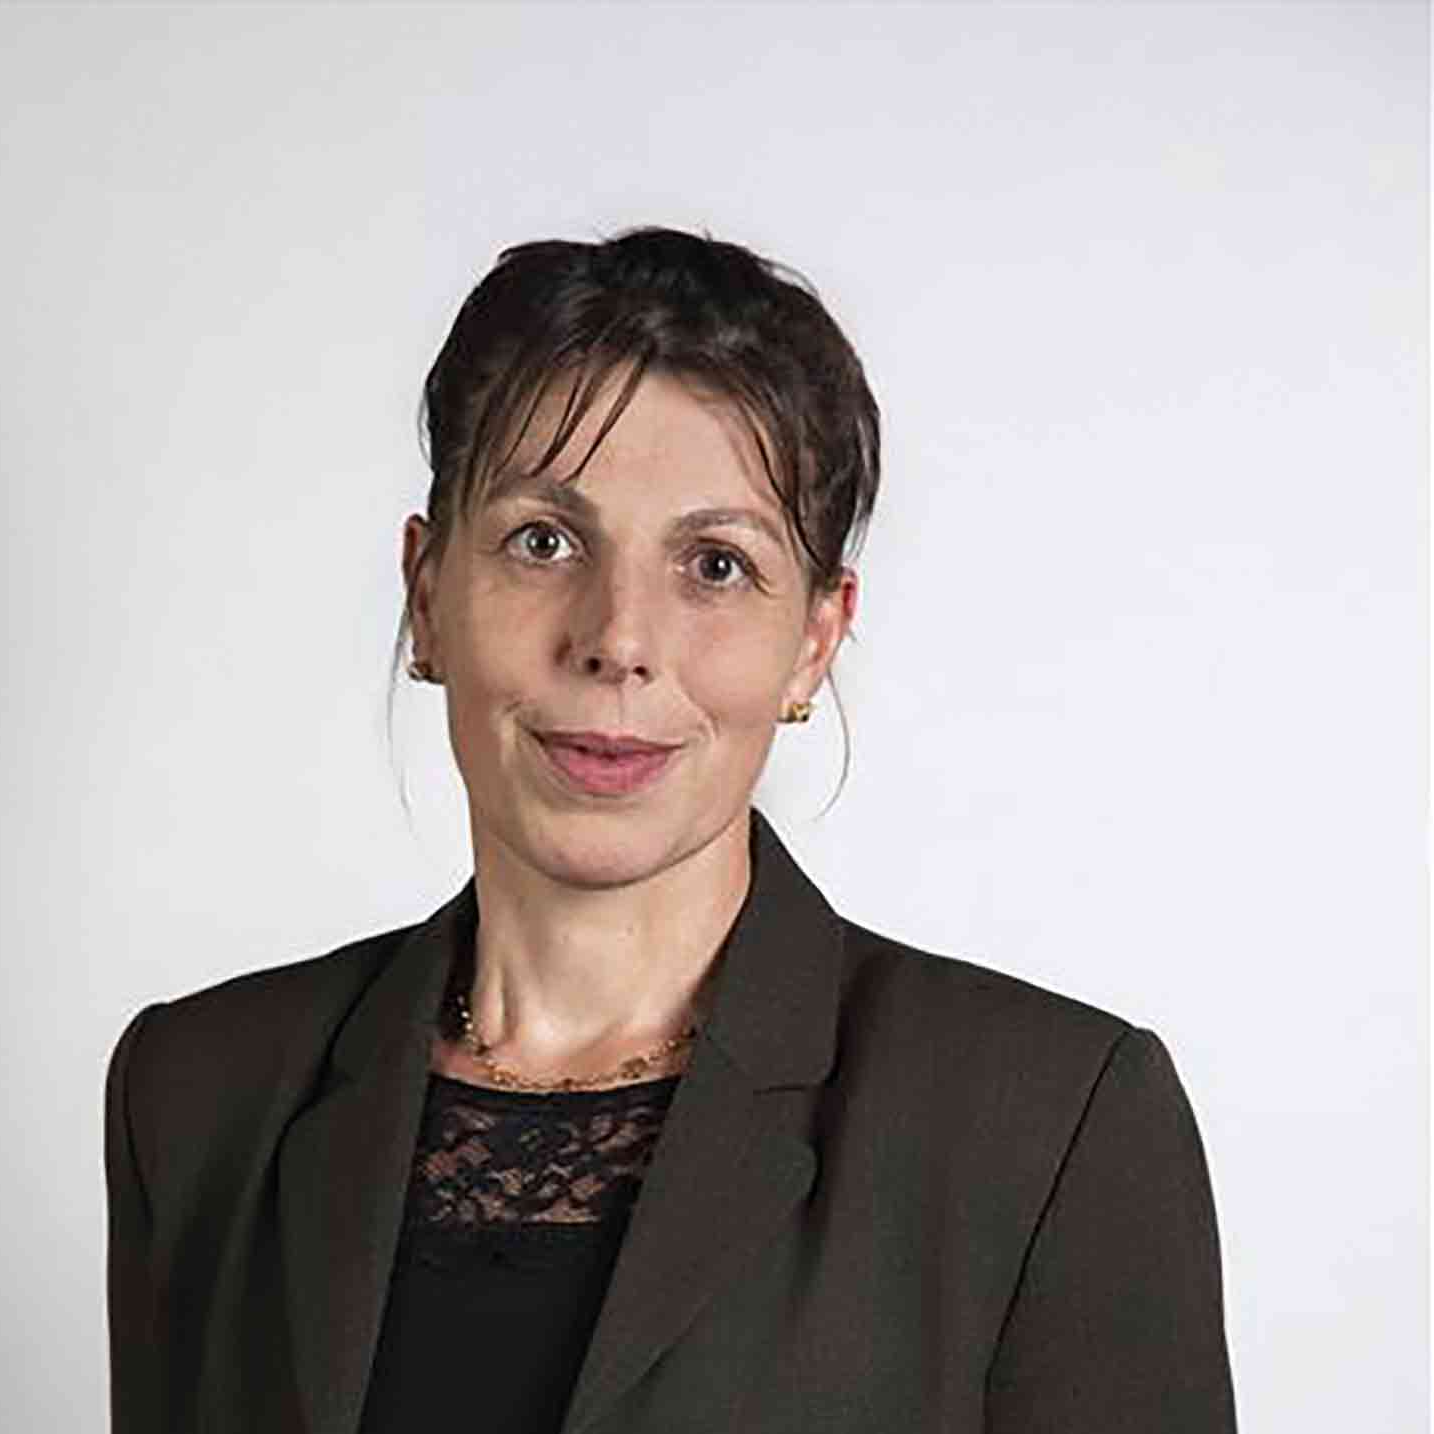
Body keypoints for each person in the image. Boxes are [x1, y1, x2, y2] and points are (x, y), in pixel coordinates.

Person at [104, 227, 1237, 1433]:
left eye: (715, 565)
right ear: (427, 594)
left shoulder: (1049, 1127)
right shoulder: (199, 1094)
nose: (619, 639)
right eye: (545, 541)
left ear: (814, 640)